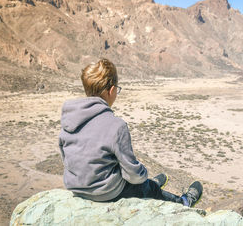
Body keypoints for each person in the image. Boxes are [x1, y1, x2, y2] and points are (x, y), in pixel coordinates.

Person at [59, 58, 202, 207]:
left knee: (139, 181)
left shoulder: (69, 120)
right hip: (106, 192)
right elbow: (132, 174)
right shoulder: (116, 125)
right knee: (147, 187)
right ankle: (184, 202)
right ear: (112, 90)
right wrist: (143, 177)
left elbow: (67, 160)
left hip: (77, 189)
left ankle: (150, 185)